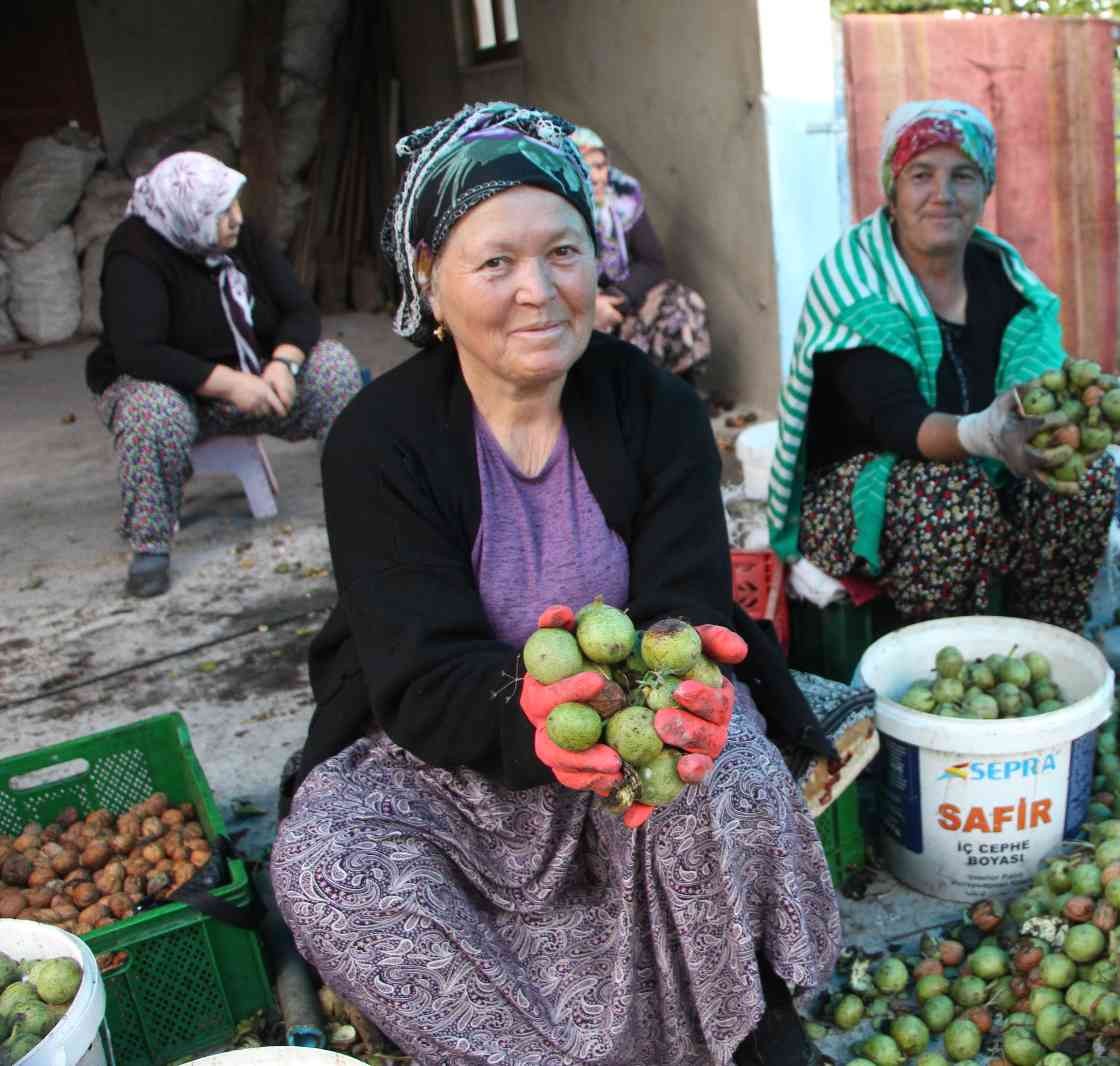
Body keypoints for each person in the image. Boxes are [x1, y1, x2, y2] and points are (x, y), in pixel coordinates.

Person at [271, 103, 839, 1066]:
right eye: (495, 263)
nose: (538, 292)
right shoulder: (379, 438)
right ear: (430, 282)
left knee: (730, 770)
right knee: (329, 869)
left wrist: (686, 684)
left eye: (563, 253)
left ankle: (747, 1024)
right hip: (449, 755)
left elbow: (686, 603)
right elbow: (416, 672)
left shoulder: (652, 405)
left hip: (626, 737)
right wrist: (531, 710)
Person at [766, 100, 1115, 630]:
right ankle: (951, 667)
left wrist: (1053, 427)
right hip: (855, 491)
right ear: (893, 187)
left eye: (964, 176)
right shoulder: (855, 283)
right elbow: (896, 420)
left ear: (986, 188)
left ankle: (1047, 641)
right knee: (951, 496)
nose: (942, 195)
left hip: (978, 466)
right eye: (921, 175)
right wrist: (985, 434)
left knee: (1083, 475)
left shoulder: (1002, 276)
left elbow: (1035, 385)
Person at [85, 151, 363, 598]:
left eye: (235, 206)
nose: (236, 219)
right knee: (150, 410)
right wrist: (231, 383)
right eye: (222, 211)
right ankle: (151, 547)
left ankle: (365, 521)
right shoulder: (134, 251)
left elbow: (299, 309)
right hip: (182, 394)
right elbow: (139, 351)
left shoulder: (240, 237)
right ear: (188, 213)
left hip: (263, 384)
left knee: (335, 367)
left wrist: (283, 364)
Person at [570, 126, 712, 383]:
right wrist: (590, 307)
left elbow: (652, 261)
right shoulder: (552, 213)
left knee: (682, 305)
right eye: (584, 168)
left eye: (600, 166)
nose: (596, 177)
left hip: (620, 301)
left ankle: (678, 398)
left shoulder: (623, 198)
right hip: (575, 310)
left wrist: (618, 298)